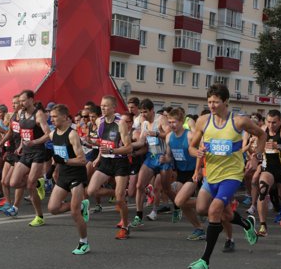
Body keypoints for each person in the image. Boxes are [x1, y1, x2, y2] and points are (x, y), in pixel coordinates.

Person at [186, 84, 264, 269]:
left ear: (226, 101)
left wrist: (256, 157)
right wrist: (196, 151)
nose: (212, 105)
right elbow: (192, 146)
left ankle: (204, 261)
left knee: (214, 211)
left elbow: (262, 135)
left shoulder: (239, 122)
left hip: (232, 175)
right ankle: (247, 224)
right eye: (209, 101)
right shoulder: (203, 121)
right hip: (211, 174)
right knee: (203, 209)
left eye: (216, 102)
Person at [86, 95, 133, 239]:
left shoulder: (121, 124)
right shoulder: (99, 121)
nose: (102, 108)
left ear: (114, 108)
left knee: (120, 200)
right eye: (101, 105)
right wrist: (97, 153)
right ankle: (118, 193)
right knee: (91, 190)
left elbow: (129, 148)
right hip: (106, 161)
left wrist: (113, 151)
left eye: (106, 106)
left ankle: (125, 226)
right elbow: (103, 143)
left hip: (120, 162)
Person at [47, 104, 90, 254]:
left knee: (74, 213)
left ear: (65, 117)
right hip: (63, 174)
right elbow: (57, 156)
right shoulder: (53, 134)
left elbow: (82, 160)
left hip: (77, 175)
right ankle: (81, 206)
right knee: (53, 208)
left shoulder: (72, 134)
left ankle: (84, 242)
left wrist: (64, 161)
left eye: (54, 116)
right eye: (50, 116)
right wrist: (53, 170)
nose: (51, 119)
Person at [7, 89, 50, 226]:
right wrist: (20, 146)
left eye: (23, 100)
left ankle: (39, 216)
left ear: (32, 100)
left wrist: (34, 142)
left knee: (30, 185)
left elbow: (48, 134)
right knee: (13, 183)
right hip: (25, 152)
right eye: (19, 101)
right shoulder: (20, 113)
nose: (21, 103)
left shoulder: (39, 114)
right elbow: (23, 132)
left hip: (38, 152)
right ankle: (39, 183)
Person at [165, 107, 206, 240]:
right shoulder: (169, 137)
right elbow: (169, 156)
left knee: (179, 201)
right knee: (182, 202)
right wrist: (165, 159)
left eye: (174, 122)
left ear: (181, 121)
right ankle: (199, 228)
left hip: (193, 172)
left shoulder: (189, 135)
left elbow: (200, 152)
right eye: (169, 122)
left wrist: (199, 170)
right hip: (181, 174)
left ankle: (208, 204)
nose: (172, 125)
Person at [130, 99, 171, 228]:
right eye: (141, 112)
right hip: (151, 157)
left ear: (152, 110)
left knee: (163, 188)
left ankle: (171, 207)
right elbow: (142, 142)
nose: (143, 115)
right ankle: (138, 215)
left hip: (163, 157)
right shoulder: (144, 122)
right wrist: (128, 146)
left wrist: (157, 134)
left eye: (145, 112)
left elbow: (170, 135)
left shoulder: (161, 119)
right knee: (139, 185)